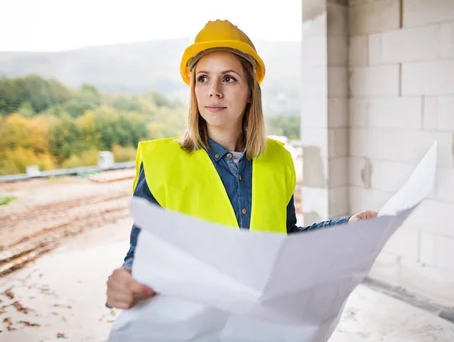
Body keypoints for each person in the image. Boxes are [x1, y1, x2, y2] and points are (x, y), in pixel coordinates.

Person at [105, 20, 377, 310]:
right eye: (203, 78)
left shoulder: (278, 160)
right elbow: (143, 253)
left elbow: (284, 240)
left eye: (229, 78)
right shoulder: (162, 163)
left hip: (259, 323)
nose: (214, 91)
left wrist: (345, 227)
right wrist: (127, 280)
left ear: (250, 92)